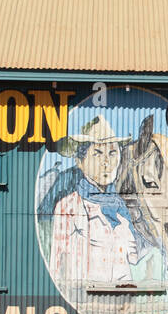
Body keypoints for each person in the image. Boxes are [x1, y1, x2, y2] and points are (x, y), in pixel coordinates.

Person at [48, 116, 141, 286]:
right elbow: (57, 264)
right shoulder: (68, 207)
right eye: (97, 154)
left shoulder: (123, 209)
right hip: (85, 300)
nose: (106, 162)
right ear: (80, 162)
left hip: (123, 302)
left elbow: (133, 259)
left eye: (112, 153)